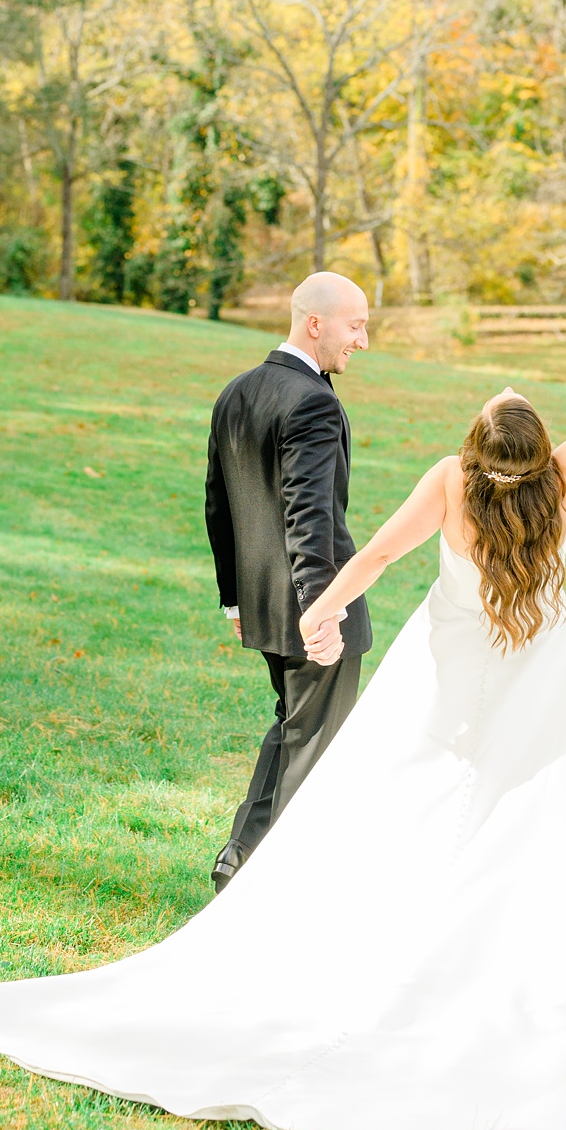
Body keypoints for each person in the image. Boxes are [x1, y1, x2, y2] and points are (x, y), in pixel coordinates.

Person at [0, 255, 566, 1130]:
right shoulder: (563, 482)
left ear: (479, 451)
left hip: (444, 683)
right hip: (541, 688)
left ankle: (395, 949)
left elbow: (372, 560)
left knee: (412, 809)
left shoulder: (451, 483)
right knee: (521, 827)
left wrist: (316, 612)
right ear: (535, 450)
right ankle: (487, 972)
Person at [203, 269, 372, 892]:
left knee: (294, 727)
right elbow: (310, 516)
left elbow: (217, 503)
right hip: (312, 604)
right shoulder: (313, 402)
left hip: (265, 605)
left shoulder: (238, 392)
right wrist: (320, 608)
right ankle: (275, 888)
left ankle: (240, 857)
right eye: (355, 326)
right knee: (315, 748)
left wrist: (236, 599)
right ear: (315, 323)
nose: (362, 340)